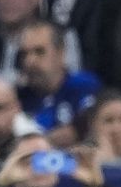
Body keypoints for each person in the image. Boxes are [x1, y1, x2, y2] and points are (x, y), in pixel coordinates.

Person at [16, 19, 100, 148]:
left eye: (39, 52)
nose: (29, 61)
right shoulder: (18, 98)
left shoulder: (83, 86)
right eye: (24, 54)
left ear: (61, 53)